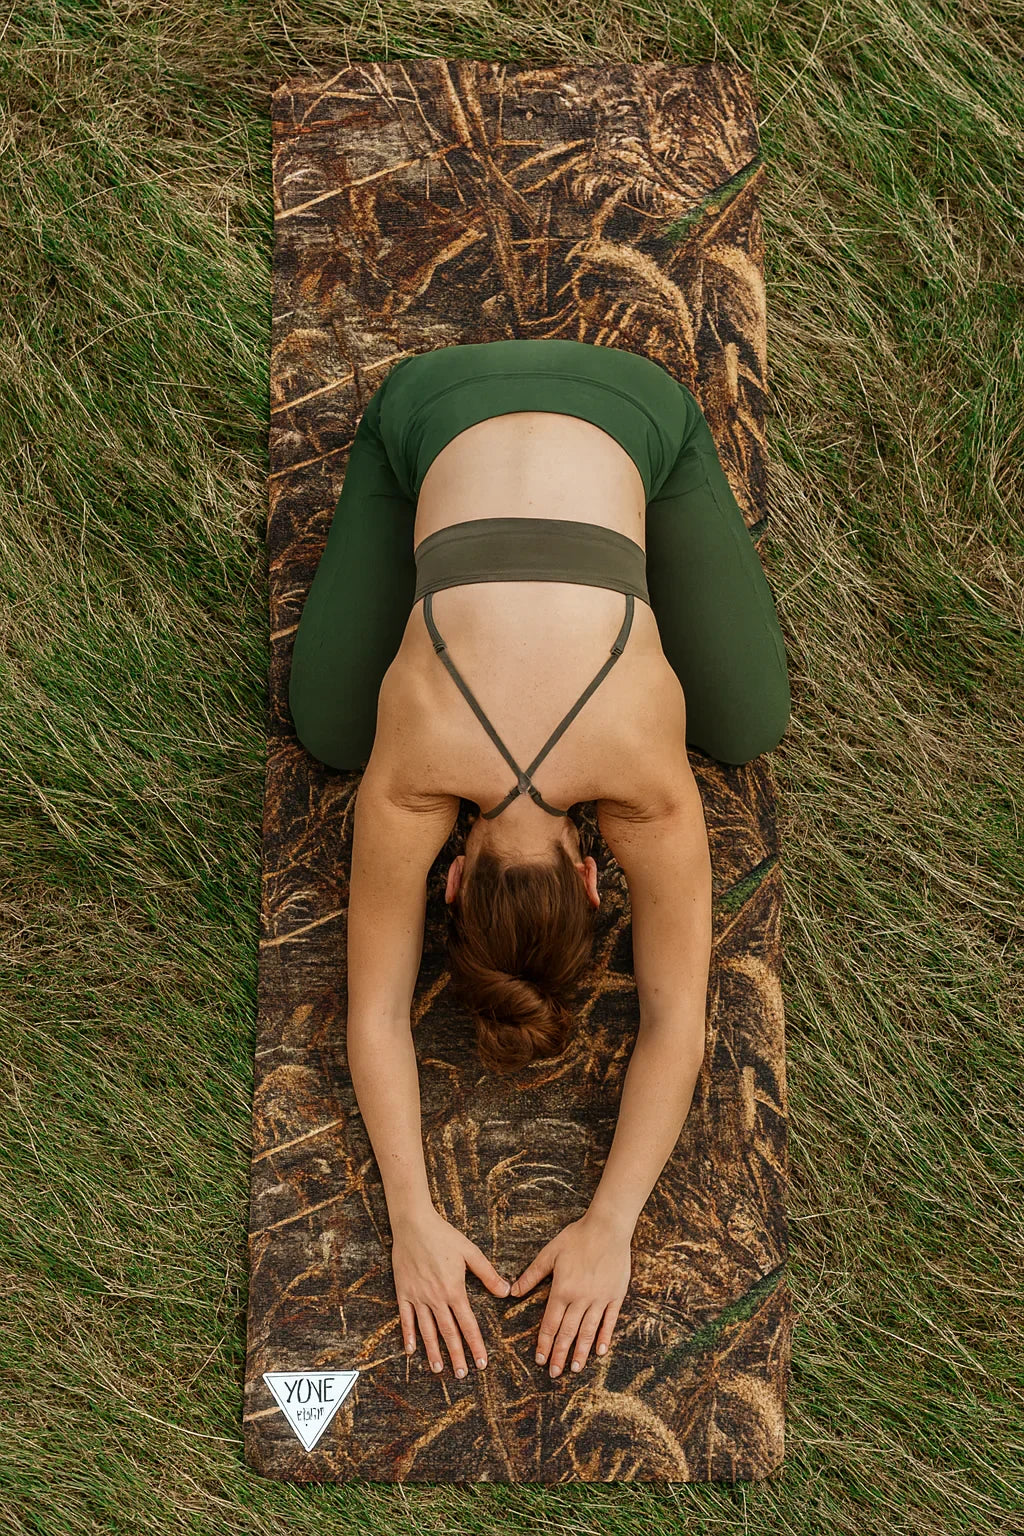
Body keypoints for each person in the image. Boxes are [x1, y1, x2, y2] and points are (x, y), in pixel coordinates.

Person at [288, 337, 790, 1385]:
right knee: (744, 726)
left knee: (329, 732)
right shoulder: (413, 781)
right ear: (458, 882)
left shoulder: (645, 795)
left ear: (590, 878)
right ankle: (417, 447)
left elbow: (675, 1022)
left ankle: (637, 441)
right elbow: (371, 1017)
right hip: (478, 401)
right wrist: (558, 1222)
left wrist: (433, 1218)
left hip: (582, 404)